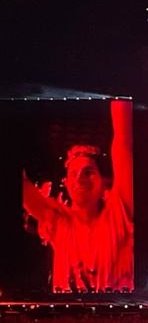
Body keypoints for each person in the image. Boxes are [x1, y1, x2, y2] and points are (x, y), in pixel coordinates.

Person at [22, 100, 133, 293]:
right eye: (73, 174)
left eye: (88, 172)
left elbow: (123, 143)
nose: (80, 179)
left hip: (115, 315)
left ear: (104, 181)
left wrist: (120, 84)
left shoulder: (120, 214)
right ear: (66, 184)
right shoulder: (59, 224)